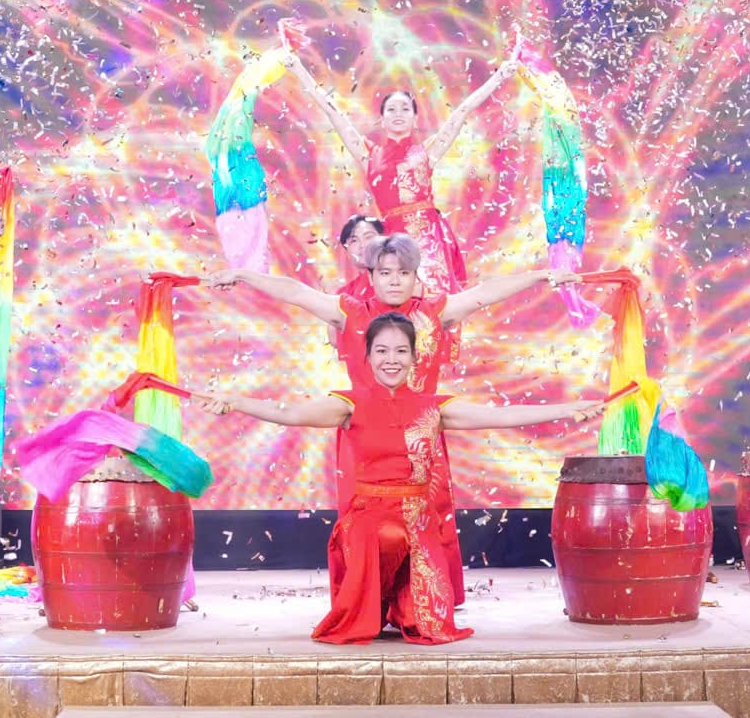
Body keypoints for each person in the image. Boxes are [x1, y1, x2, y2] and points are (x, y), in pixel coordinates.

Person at [198, 313, 602, 643]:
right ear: (368, 356)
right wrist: (235, 402)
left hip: (418, 520)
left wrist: (565, 410)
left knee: (426, 624)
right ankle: (373, 605)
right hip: (368, 518)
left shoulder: (434, 407)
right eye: (381, 351)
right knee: (386, 537)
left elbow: (501, 416)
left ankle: (398, 605)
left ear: (414, 357)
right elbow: (288, 412)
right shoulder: (349, 404)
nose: (391, 359)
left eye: (400, 351)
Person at [206, 235, 574, 509]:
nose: (394, 281)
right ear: (371, 276)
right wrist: (245, 275)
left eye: (403, 273)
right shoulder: (350, 312)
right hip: (366, 436)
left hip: (421, 435)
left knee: (428, 524)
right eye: (385, 273)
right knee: (364, 525)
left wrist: (540, 276)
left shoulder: (434, 312)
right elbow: (296, 292)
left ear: (415, 277)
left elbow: (487, 292)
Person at [284, 40, 520, 292]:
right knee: (397, 297)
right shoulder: (368, 154)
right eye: (392, 109)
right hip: (391, 239)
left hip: (428, 237)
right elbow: (334, 114)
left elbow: (462, 111)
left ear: (415, 118)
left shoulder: (427, 152)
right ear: (382, 119)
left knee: (434, 299)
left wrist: (501, 76)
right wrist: (297, 68)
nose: (398, 113)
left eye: (405, 109)